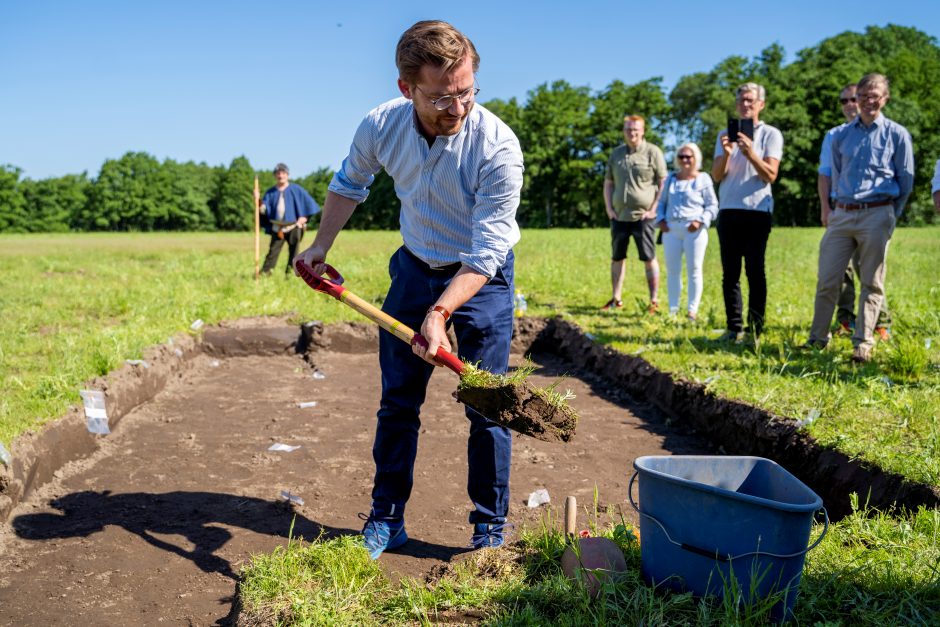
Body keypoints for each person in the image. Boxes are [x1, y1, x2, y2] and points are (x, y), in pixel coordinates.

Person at [294, 20, 523, 558]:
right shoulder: (380, 125)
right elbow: (350, 183)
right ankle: (386, 518)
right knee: (398, 402)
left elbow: (487, 253)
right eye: (443, 97)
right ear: (407, 89)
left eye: (468, 92)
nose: (458, 108)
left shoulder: (497, 148)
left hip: (482, 280)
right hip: (415, 268)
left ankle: (489, 528)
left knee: (487, 404)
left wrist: (441, 312)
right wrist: (320, 246)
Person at [805, 73, 914, 363]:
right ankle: (817, 339)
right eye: (863, 95)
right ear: (858, 97)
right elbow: (833, 174)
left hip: (878, 213)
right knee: (828, 279)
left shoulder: (897, 134)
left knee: (871, 282)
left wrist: (891, 214)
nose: (868, 100)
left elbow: (906, 179)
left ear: (885, 98)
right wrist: (832, 208)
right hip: (843, 214)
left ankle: (862, 343)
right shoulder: (841, 135)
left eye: (874, 94)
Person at [711, 83, 783, 344]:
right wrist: (727, 154)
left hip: (756, 210)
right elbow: (717, 176)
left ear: (761, 104)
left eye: (751, 100)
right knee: (730, 273)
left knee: (755, 270)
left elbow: (770, 175)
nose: (745, 105)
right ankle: (734, 329)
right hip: (728, 210)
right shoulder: (725, 135)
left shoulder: (771, 135)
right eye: (742, 100)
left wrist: (751, 152)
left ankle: (755, 330)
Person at [818, 84, 891, 339]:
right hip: (841, 210)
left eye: (853, 99)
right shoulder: (835, 135)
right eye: (844, 100)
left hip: (871, 211)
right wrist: (826, 208)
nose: (849, 104)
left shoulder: (880, 132)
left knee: (869, 270)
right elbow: (824, 174)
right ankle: (846, 318)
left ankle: (880, 322)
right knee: (841, 271)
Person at [602, 115, 667, 313]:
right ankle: (616, 299)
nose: (632, 133)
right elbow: (608, 183)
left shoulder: (652, 152)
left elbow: (663, 182)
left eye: (636, 129)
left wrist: (654, 208)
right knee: (617, 257)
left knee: (648, 257)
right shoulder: (617, 154)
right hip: (619, 216)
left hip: (643, 217)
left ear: (643, 131)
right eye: (628, 129)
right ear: (624, 131)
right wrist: (609, 208)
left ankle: (653, 301)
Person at [655, 142, 718, 321]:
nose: (685, 160)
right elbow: (661, 203)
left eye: (688, 157)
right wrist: (660, 220)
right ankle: (673, 310)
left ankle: (692, 310)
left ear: (695, 158)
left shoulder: (703, 179)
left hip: (694, 230)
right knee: (673, 270)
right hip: (671, 229)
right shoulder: (671, 179)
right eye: (681, 157)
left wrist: (701, 221)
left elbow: (712, 205)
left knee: (694, 269)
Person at [254, 163, 319, 276]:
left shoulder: (296, 189)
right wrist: (258, 200)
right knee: (272, 253)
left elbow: (309, 204)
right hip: (277, 228)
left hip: (293, 226)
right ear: (275, 175)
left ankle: (290, 275)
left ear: (287, 175)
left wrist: (304, 218)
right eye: (278, 173)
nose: (280, 175)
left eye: (283, 173)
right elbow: (264, 210)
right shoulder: (270, 192)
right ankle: (265, 274)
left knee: (294, 253)